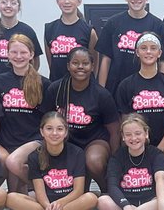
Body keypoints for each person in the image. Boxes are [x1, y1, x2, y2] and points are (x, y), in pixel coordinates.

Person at [3, 110, 97, 210]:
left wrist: (60, 203)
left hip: (68, 202)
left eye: (59, 129)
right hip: (44, 203)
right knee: (11, 198)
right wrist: (48, 206)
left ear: (66, 132)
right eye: (49, 129)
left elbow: (78, 191)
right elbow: (40, 193)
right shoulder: (34, 156)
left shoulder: (77, 153)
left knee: (91, 198)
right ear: (42, 132)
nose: (54, 133)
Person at [115, 33, 164, 186]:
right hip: (136, 142)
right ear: (137, 52)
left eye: (153, 48)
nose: (148, 52)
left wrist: (159, 149)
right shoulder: (126, 85)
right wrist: (138, 144)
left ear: (160, 53)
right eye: (144, 48)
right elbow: (125, 122)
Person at [43, 47, 119, 185]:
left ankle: (108, 190)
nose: (80, 67)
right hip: (65, 141)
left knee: (93, 160)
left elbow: (114, 131)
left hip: (94, 140)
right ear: (68, 66)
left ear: (92, 66)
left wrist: (115, 162)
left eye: (85, 63)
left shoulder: (102, 95)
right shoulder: (56, 89)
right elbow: (45, 121)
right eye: (75, 63)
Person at [92, 114, 164, 210]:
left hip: (150, 200)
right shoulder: (117, 157)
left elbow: (160, 179)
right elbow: (112, 186)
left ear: (146, 134)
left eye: (138, 133)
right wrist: (126, 206)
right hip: (126, 202)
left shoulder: (156, 154)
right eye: (128, 135)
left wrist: (161, 205)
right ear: (123, 137)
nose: (133, 138)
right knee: (102, 201)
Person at [0, 33, 48, 188]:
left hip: (33, 140)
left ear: (31, 54)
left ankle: (46, 191)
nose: (18, 56)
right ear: (7, 55)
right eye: (14, 52)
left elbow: (47, 119)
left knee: (13, 162)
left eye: (23, 52)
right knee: (14, 194)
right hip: (6, 141)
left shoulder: (43, 83)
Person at [98, 0, 164, 93]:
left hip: (149, 90)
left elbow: (163, 62)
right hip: (116, 87)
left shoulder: (158, 25)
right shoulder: (113, 23)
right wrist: (101, 91)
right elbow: (105, 59)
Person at [43, 0, 96, 83]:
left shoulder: (89, 31)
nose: (67, 1)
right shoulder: (49, 29)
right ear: (57, 1)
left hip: (83, 87)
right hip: (57, 87)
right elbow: (51, 64)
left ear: (79, 1)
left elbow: (94, 64)